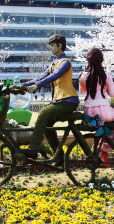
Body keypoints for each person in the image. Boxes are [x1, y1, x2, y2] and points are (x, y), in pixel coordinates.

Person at [18, 34, 79, 165]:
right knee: (46, 125)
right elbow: (40, 78)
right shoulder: (54, 63)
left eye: (52, 45)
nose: (51, 48)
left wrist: (37, 86)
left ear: (60, 46)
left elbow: (54, 76)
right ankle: (59, 156)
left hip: (68, 101)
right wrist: (20, 86)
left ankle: (33, 149)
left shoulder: (65, 63)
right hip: (59, 101)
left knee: (43, 113)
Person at [78, 48, 114, 162]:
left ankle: (104, 152)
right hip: (103, 110)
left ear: (88, 60)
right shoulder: (106, 75)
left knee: (104, 127)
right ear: (101, 60)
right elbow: (113, 94)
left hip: (89, 111)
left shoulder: (84, 75)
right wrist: (109, 88)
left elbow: (82, 91)